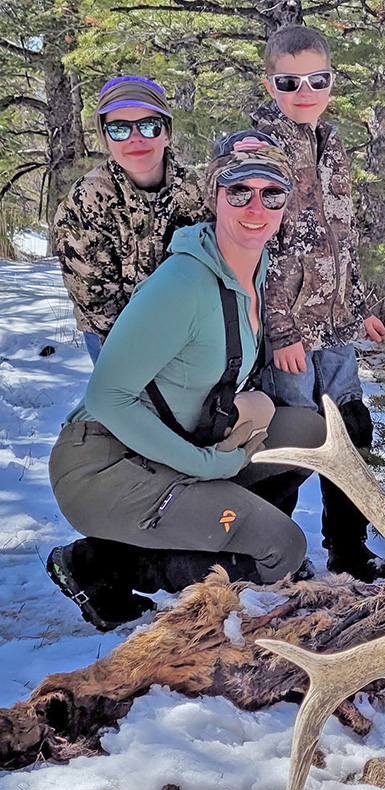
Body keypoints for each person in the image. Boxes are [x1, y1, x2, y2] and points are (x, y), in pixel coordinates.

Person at [45, 131, 327, 631]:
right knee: (283, 548)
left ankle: (217, 526)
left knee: (310, 433)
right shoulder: (183, 283)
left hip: (178, 446)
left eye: (272, 193)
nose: (255, 207)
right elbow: (106, 396)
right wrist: (204, 465)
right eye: (238, 191)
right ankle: (99, 564)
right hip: (107, 464)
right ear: (214, 196)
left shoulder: (253, 268)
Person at [249, 25, 385, 581]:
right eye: (289, 81)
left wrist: (358, 310)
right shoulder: (257, 148)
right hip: (286, 335)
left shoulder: (331, 146)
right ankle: (268, 560)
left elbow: (342, 242)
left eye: (317, 79)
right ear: (270, 84)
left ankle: (348, 554)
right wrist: (282, 333)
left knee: (352, 430)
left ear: (332, 82)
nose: (304, 90)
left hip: (334, 327)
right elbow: (255, 247)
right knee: (291, 440)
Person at [54, 75, 208, 363]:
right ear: (105, 137)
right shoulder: (86, 199)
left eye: (149, 126)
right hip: (111, 333)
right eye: (119, 129)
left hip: (190, 330)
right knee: (126, 405)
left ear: (166, 133)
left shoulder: (200, 193)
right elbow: (94, 297)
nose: (135, 138)